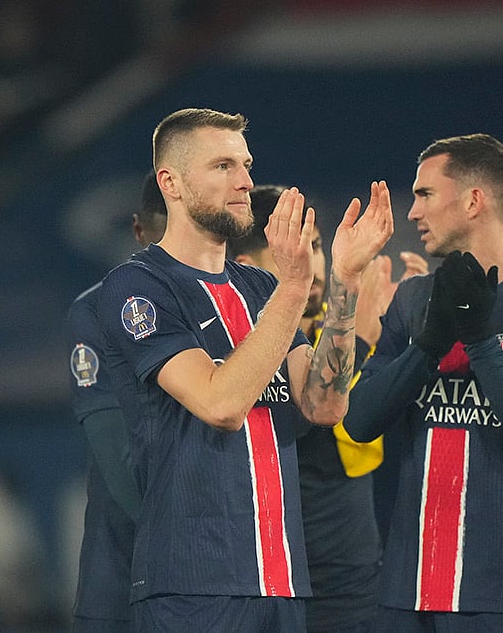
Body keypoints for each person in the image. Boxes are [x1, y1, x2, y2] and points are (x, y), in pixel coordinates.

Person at [97, 108, 394, 631]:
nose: (245, 181)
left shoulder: (259, 290)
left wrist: (343, 280)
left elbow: (325, 404)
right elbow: (221, 403)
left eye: (246, 164)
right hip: (192, 585)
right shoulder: (139, 287)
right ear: (171, 182)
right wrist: (296, 288)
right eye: (223, 167)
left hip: (281, 580)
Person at [342, 134, 503, 632]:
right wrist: (427, 348)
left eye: (425, 194)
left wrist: (481, 344)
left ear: (475, 200)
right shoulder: (414, 301)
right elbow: (360, 419)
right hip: (405, 592)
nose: (413, 213)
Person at [230, 184, 425, 632]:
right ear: (246, 265)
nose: (313, 265)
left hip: (347, 583)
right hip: (264, 581)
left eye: (316, 246)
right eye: (292, 249)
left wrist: (401, 341)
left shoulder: (331, 332)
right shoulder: (239, 344)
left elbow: (368, 428)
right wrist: (363, 338)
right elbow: (311, 426)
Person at [66, 171, 166, 631]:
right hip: (123, 582)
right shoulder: (97, 310)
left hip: (216, 583)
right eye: (163, 239)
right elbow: (117, 458)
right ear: (138, 231)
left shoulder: (231, 305)